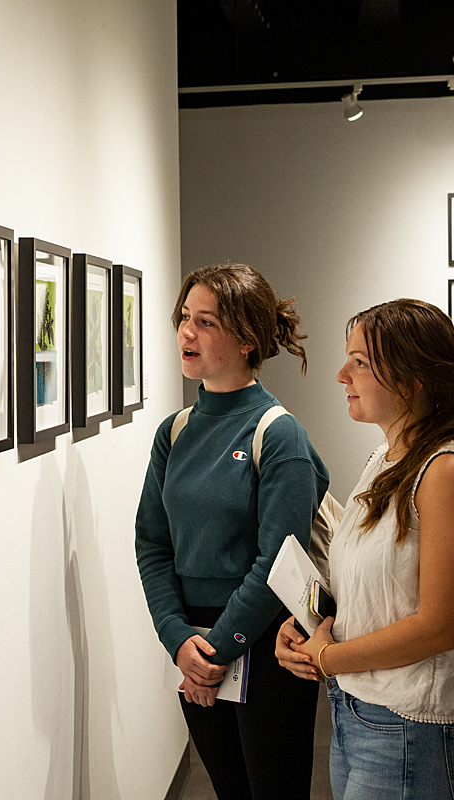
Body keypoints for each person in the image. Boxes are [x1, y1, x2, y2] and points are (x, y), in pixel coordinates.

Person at [276, 298, 454, 800]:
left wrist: (330, 657)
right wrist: (302, 630)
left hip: (413, 732)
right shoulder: (386, 458)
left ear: (411, 378)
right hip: (359, 713)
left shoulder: (447, 472)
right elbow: (363, 587)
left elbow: (438, 627)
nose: (341, 375)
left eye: (359, 362)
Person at [135, 263, 330, 800]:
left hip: (266, 647)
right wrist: (179, 641)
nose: (186, 332)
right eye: (183, 318)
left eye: (206, 322)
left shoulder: (278, 434)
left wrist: (218, 650)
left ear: (247, 340)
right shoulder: (173, 433)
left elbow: (277, 561)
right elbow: (152, 544)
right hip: (195, 645)